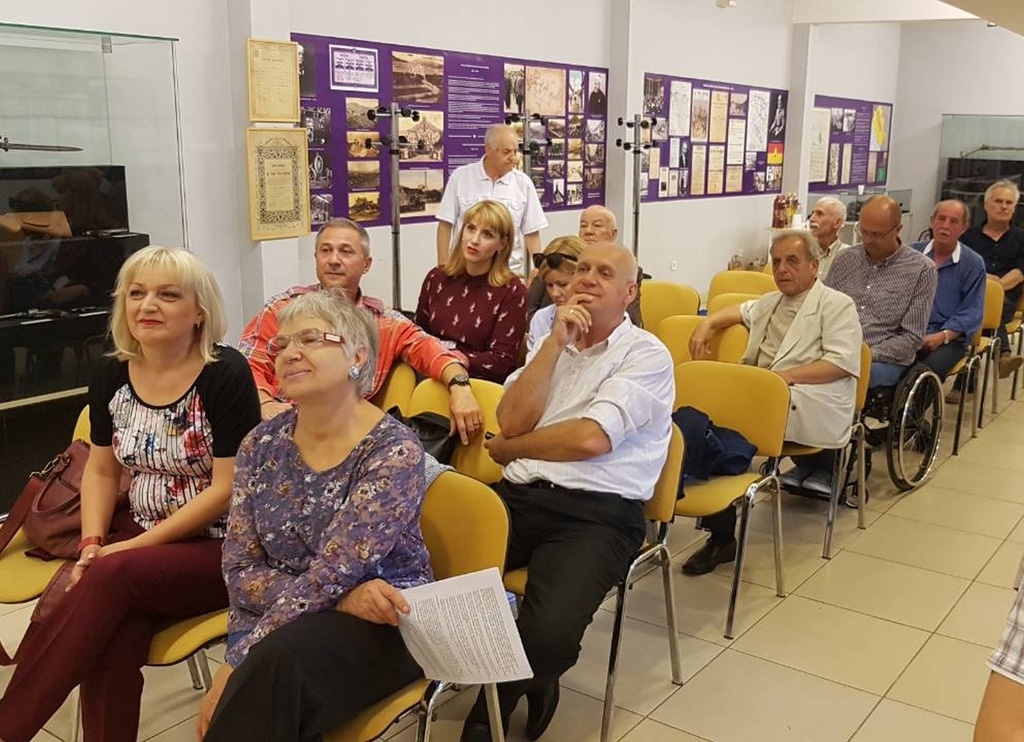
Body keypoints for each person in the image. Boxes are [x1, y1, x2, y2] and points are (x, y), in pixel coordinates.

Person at [0, 246, 261, 742]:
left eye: (168, 295)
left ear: (200, 310)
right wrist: (92, 542)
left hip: (220, 546)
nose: (147, 305)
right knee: (112, 637)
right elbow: (101, 470)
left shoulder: (225, 372)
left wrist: (126, 551)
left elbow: (227, 489)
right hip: (136, 539)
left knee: (109, 577)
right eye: (136, 293)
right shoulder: (112, 372)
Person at [459, 242, 674, 742]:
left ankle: (503, 697)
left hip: (597, 513)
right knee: (437, 586)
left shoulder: (646, 354)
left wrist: (511, 449)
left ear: (630, 293)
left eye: (605, 273)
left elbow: (590, 438)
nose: (588, 279)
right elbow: (511, 417)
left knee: (549, 636)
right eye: (582, 270)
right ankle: (495, 675)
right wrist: (554, 346)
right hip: (521, 496)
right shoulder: (549, 343)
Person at [198, 290, 431, 741]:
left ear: (357, 356)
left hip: (382, 621)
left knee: (271, 673)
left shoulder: (392, 451)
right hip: (290, 617)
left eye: (309, 339)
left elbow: (333, 573)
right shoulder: (260, 444)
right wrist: (340, 599)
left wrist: (238, 659)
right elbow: (240, 571)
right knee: (272, 686)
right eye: (281, 344)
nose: (289, 353)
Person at [681, 230, 861, 575]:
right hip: (762, 394)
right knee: (699, 420)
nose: (782, 269)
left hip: (808, 397)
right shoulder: (771, 302)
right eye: (776, 262)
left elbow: (840, 363)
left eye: (792, 261)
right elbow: (738, 311)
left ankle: (720, 535)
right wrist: (707, 324)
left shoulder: (837, 305)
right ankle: (718, 523)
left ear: (814, 265)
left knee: (716, 432)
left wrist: (781, 379)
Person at [239, 217, 483, 443]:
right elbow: (248, 365)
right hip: (277, 430)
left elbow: (435, 352)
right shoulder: (282, 310)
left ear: (366, 264)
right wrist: (265, 403)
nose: (334, 260)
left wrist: (460, 386)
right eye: (325, 250)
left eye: (346, 251)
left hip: (347, 436)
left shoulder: (384, 323)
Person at [825, 195, 937, 388]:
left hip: (881, 358)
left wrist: (865, 354)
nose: (868, 240)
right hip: (834, 348)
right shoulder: (845, 259)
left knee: (839, 381)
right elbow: (823, 310)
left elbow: (911, 338)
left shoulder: (921, 270)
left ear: (898, 229)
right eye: (864, 232)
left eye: (877, 235)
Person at [415, 200, 528, 382]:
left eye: (487, 234)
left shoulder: (513, 292)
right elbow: (418, 336)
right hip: (431, 375)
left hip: (478, 383)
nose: (474, 240)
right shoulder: (437, 278)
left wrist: (450, 359)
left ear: (502, 244)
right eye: (471, 228)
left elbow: (501, 362)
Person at [435, 124, 548, 274]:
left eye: (515, 151)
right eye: (506, 152)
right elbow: (445, 225)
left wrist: (539, 270)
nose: (513, 158)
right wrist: (443, 267)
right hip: (465, 270)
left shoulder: (523, 183)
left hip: (507, 272)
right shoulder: (461, 177)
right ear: (488, 150)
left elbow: (532, 232)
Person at [527, 205, 643, 327]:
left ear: (613, 234)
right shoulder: (554, 262)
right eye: (583, 225)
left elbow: (632, 321)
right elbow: (530, 316)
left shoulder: (626, 271)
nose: (588, 231)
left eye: (597, 225)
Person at [910, 200, 985, 382]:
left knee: (926, 373)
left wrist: (942, 336)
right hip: (909, 331)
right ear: (931, 221)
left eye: (953, 221)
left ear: (964, 228)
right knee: (888, 364)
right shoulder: (910, 254)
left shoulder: (973, 264)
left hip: (949, 338)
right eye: (941, 219)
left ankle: (915, 402)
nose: (945, 226)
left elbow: (972, 311)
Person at [961, 179, 1024, 379]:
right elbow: (962, 269)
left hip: (1007, 297)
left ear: (1014, 208)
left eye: (1008, 203)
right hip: (970, 295)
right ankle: (1003, 355)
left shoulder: (1021, 238)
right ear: (986, 205)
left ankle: (966, 379)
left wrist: (993, 288)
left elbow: (1020, 272)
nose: (1003, 206)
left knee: (987, 305)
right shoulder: (968, 237)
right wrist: (983, 282)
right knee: (973, 309)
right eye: (998, 201)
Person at [526, 236, 586, 352]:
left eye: (563, 284)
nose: (555, 293)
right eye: (549, 285)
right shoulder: (541, 319)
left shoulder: (605, 321)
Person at [806, 196, 849, 280]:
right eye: (812, 213)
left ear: (837, 223)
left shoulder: (848, 257)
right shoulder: (803, 251)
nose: (811, 219)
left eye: (819, 214)